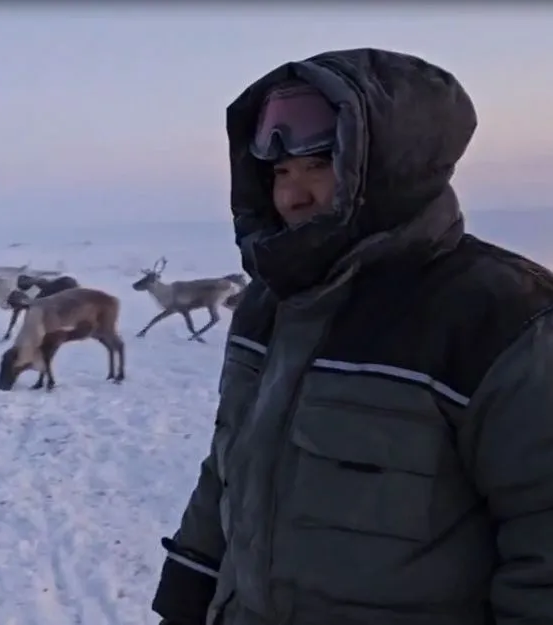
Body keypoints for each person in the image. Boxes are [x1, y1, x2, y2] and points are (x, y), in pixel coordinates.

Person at [151, 47, 553, 625]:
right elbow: (228, 468)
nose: (293, 196)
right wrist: (185, 599)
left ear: (393, 170)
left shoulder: (499, 318)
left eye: (320, 165)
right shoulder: (268, 304)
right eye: (280, 172)